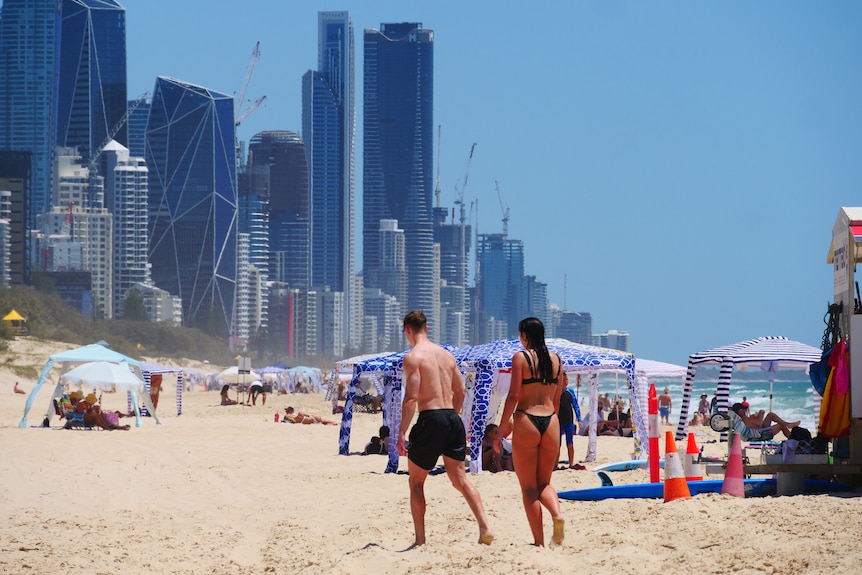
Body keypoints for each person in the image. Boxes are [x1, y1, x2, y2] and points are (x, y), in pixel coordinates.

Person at [396, 310, 493, 548]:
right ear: (426, 328)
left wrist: (401, 433)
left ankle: (420, 540)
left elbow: (411, 398)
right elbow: (460, 392)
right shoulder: (447, 356)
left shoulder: (413, 357)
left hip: (430, 417)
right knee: (460, 479)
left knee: (416, 482)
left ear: (408, 330)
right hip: (452, 417)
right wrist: (453, 417)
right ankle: (484, 526)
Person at [498, 317, 565, 547]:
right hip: (551, 422)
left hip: (527, 419)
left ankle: (539, 542)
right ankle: (557, 515)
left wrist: (502, 427)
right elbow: (556, 399)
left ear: (525, 335)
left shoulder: (520, 358)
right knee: (544, 483)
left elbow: (514, 395)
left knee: (528, 488)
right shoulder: (556, 360)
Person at [729, 403, 800, 440]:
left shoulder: (745, 418)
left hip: (761, 428)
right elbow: (758, 425)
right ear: (740, 411)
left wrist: (754, 417)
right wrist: (760, 415)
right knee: (781, 426)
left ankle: (788, 424)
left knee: (770, 415)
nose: (745, 410)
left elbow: (757, 423)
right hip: (761, 434)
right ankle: (793, 439)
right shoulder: (744, 422)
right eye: (744, 409)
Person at [557, 375, 578, 469]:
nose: (566, 382)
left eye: (567, 379)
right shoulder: (555, 391)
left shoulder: (570, 392)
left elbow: (575, 406)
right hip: (558, 422)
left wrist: (579, 419)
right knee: (557, 444)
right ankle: (555, 464)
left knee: (570, 443)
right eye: (563, 380)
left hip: (569, 421)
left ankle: (571, 464)